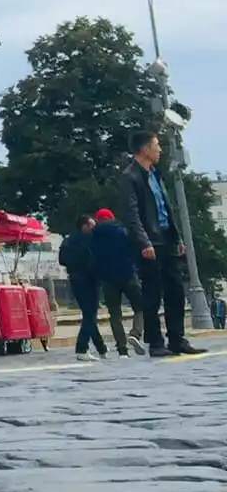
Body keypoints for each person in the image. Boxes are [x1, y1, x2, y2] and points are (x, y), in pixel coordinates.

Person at [116, 131, 200, 358]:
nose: (160, 149)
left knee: (176, 291)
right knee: (152, 293)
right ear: (144, 149)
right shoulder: (130, 177)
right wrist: (144, 241)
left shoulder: (155, 174)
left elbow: (166, 208)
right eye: (156, 145)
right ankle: (155, 342)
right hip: (149, 241)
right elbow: (131, 214)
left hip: (166, 239)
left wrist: (177, 237)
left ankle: (177, 338)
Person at [90, 206, 142, 358]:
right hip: (128, 274)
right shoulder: (122, 231)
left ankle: (122, 349)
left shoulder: (93, 236)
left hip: (107, 279)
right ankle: (135, 333)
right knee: (141, 307)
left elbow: (92, 256)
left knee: (115, 314)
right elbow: (133, 248)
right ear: (112, 218)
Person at [58, 214, 106, 361]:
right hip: (89, 280)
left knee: (88, 314)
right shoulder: (90, 239)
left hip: (75, 280)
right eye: (92, 225)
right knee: (90, 314)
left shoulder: (68, 240)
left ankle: (101, 348)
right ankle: (82, 348)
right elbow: (96, 259)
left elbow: (62, 260)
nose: (94, 228)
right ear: (85, 226)